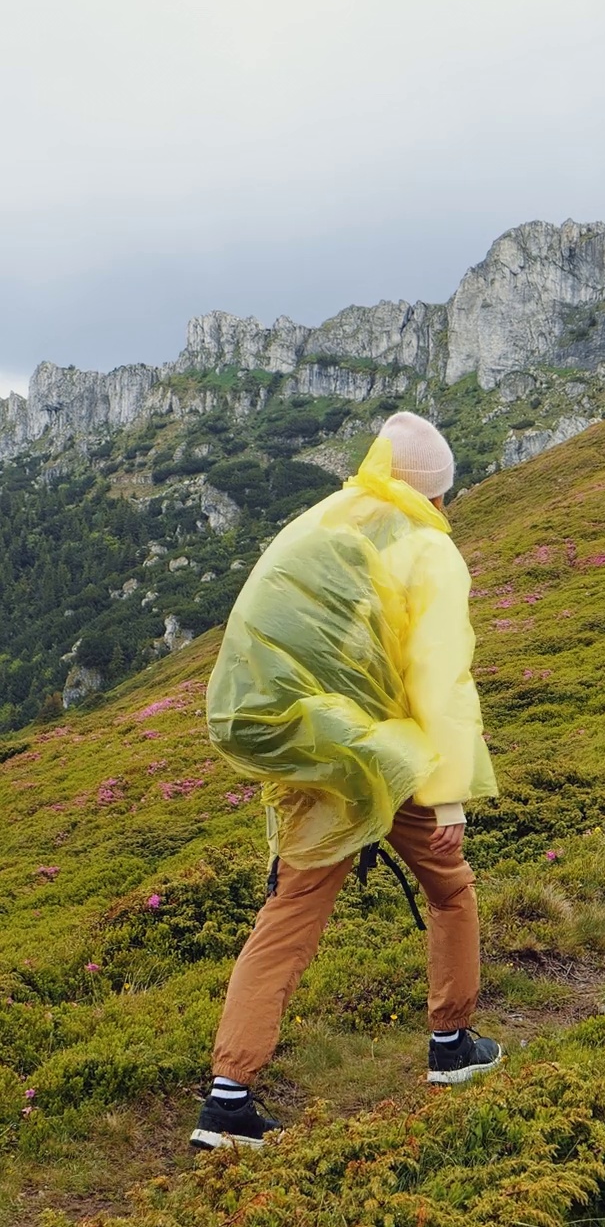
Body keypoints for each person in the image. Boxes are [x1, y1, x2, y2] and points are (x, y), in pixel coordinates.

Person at [191, 411, 501, 1151]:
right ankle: (452, 1044)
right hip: (381, 755)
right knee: (450, 889)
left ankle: (227, 1101)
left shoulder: (326, 522)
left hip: (307, 744)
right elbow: (439, 677)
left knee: (290, 915)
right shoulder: (425, 548)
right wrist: (450, 786)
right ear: (433, 493)